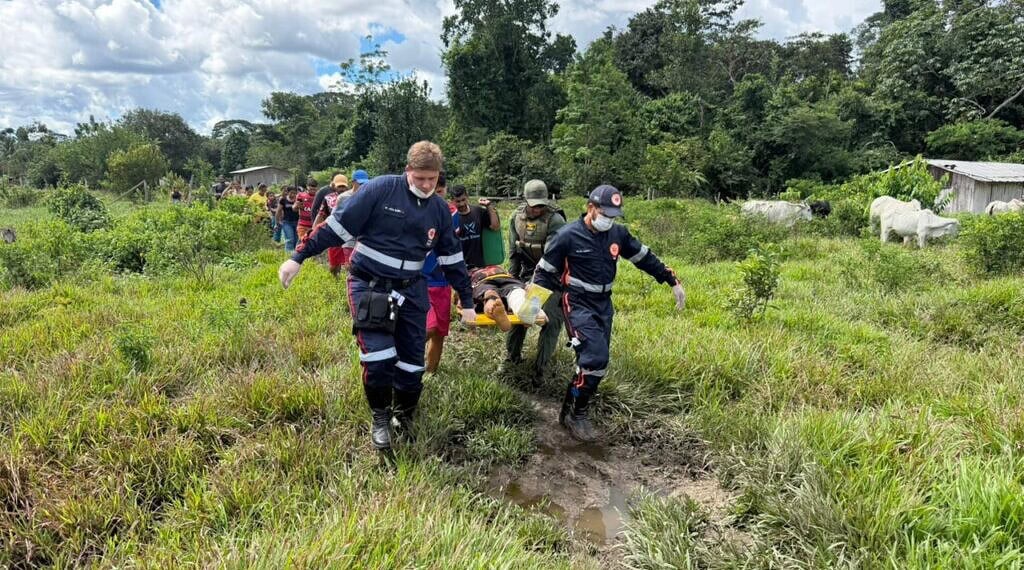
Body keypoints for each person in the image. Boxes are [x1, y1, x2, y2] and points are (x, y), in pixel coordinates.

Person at [278, 142, 477, 451]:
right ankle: (380, 418)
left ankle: (404, 417)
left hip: (412, 288)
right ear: (407, 170)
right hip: (370, 284)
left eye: (433, 179)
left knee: (412, 365)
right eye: (420, 178)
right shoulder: (382, 189)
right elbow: (336, 227)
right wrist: (298, 257)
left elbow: (452, 258)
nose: (427, 185)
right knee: (379, 357)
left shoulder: (439, 209)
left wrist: (467, 300)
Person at [532, 185, 686, 442]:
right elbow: (544, 272)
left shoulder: (618, 234)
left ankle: (570, 409)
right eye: (605, 214)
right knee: (596, 357)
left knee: (593, 363)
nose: (609, 220)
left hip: (604, 304)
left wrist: (671, 280)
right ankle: (577, 415)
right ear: (590, 208)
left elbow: (643, 257)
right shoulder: (567, 236)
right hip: (577, 302)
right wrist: (533, 304)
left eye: (614, 216)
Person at [505, 179, 567, 381]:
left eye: (541, 205)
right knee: (520, 315)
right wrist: (512, 281)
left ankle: (541, 368)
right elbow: (514, 252)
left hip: (553, 277)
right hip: (527, 273)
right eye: (534, 205)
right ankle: (511, 359)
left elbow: (551, 257)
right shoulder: (516, 218)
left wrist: (535, 286)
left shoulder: (555, 221)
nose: (537, 209)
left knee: (551, 320)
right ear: (525, 200)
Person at [422, 173, 455, 373]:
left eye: (440, 191)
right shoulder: (417, 211)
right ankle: (405, 357)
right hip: (421, 282)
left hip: (444, 282)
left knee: (439, 333)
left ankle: (431, 371)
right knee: (429, 327)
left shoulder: (453, 214)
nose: (437, 196)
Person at [469, 264, 548, 332]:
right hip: (482, 282)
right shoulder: (467, 270)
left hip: (506, 279)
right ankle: (495, 310)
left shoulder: (495, 266)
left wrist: (525, 287)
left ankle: (527, 313)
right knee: (490, 293)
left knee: (517, 292)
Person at [449, 185, 499, 270]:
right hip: (460, 267)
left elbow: (495, 226)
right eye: (458, 201)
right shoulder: (450, 217)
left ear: (467, 197)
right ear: (452, 201)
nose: (461, 204)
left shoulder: (478, 211)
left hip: (479, 266)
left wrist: (489, 206)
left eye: (463, 200)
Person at [277, 186, 300, 253]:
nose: (293, 195)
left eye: (295, 193)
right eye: (291, 193)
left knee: (296, 240)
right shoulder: (283, 200)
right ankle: (288, 254)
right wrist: (277, 221)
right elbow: (278, 211)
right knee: (290, 239)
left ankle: (295, 254)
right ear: (287, 192)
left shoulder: (298, 200)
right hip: (287, 222)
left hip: (297, 222)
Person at [294, 177, 317, 242]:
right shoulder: (301, 195)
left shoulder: (318, 196)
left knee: (311, 243)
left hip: (314, 225)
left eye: (314, 189)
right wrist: (297, 206)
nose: (312, 191)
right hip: (302, 225)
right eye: (311, 189)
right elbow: (295, 208)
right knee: (303, 242)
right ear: (307, 186)